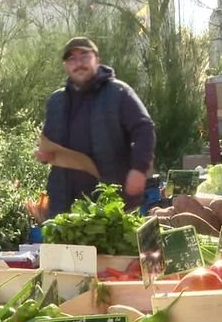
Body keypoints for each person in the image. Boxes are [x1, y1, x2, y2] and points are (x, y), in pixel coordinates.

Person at [35, 36, 156, 217]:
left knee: (112, 245)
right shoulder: (56, 101)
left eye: (84, 56)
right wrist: (45, 155)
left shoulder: (119, 93)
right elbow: (51, 144)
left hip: (110, 199)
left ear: (97, 60)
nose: (78, 64)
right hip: (65, 202)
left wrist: (139, 169)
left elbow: (144, 129)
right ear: (66, 66)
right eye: (72, 59)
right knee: (65, 246)